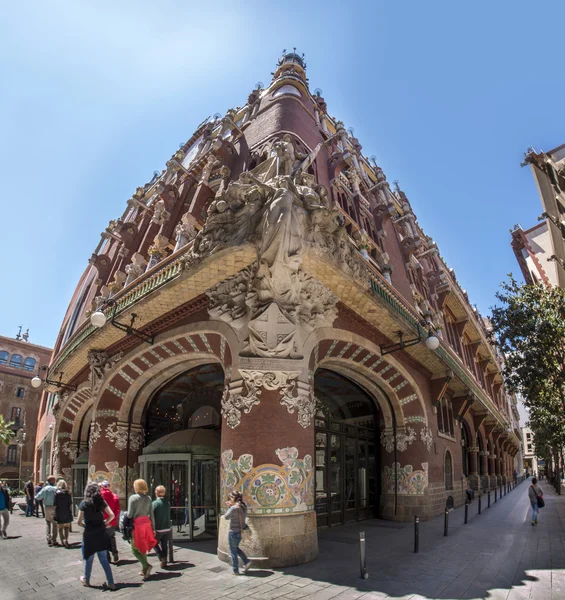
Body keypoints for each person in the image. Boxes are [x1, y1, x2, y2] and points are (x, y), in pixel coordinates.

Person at [77, 482, 116, 590]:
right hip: (101, 532)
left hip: (89, 534)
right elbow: (112, 515)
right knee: (104, 559)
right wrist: (105, 522)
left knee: (88, 558)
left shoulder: (84, 503)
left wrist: (87, 525)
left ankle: (86, 579)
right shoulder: (101, 502)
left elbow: (79, 522)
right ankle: (111, 583)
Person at [127, 479, 156, 579]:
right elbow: (151, 514)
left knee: (134, 548)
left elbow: (130, 514)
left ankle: (146, 565)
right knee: (143, 546)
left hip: (137, 525)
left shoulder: (133, 498)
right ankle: (144, 569)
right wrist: (154, 528)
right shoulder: (148, 498)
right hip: (147, 524)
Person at [224, 491, 251, 575]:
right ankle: (246, 561)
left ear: (233, 498)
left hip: (233, 532)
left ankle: (235, 570)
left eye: (230, 497)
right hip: (240, 532)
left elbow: (226, 517)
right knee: (235, 548)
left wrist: (229, 507)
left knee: (233, 551)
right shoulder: (244, 506)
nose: (230, 499)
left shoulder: (233, 508)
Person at [100, 481, 120, 564]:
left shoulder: (100, 497)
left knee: (103, 539)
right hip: (112, 521)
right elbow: (117, 510)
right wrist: (112, 520)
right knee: (112, 537)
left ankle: (107, 557)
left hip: (102, 521)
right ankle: (114, 551)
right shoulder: (115, 496)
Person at [152, 485, 172, 568]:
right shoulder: (167, 503)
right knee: (164, 545)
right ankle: (165, 561)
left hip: (158, 528)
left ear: (156, 492)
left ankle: (162, 557)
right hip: (167, 528)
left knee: (153, 543)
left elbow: (151, 516)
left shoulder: (155, 504)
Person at [36, 475, 58, 546]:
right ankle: (54, 540)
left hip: (47, 507)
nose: (55, 481)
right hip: (55, 507)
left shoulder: (45, 489)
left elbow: (38, 497)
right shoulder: (56, 488)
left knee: (48, 523)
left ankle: (48, 539)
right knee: (55, 524)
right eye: (54, 480)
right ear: (51, 481)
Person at [54, 480, 73, 548]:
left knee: (60, 528)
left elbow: (55, 504)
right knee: (66, 528)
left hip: (59, 512)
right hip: (67, 511)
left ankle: (62, 540)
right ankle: (66, 540)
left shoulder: (56, 493)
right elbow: (70, 503)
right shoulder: (68, 493)